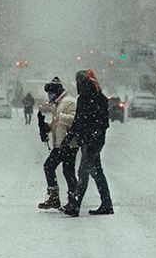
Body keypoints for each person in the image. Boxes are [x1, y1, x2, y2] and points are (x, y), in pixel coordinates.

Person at [65, 68, 113, 215]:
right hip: (88, 140)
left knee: (83, 172)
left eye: (81, 82)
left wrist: (94, 136)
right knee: (97, 172)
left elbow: (103, 123)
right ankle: (106, 204)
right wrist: (71, 136)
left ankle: (75, 205)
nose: (78, 85)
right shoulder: (86, 99)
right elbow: (78, 121)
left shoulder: (98, 99)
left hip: (92, 142)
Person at [37, 76, 78, 210]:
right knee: (68, 171)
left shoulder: (69, 102)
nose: (49, 96)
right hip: (61, 143)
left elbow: (75, 120)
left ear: (57, 91)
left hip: (68, 143)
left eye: (50, 93)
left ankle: (58, 197)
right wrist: (47, 127)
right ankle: (72, 197)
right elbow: (58, 126)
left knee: (50, 166)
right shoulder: (59, 104)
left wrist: (60, 118)